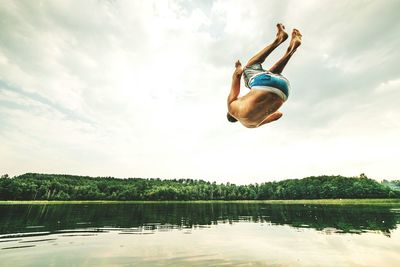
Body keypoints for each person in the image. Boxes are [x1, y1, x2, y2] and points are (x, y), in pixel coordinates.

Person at [227, 23, 302, 128]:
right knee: (249, 68)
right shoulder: (231, 107)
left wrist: (264, 110)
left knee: (268, 77)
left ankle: (291, 50)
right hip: (265, 84)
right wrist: (238, 67)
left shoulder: (252, 125)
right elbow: (237, 75)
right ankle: (278, 40)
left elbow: (278, 115)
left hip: (284, 91)